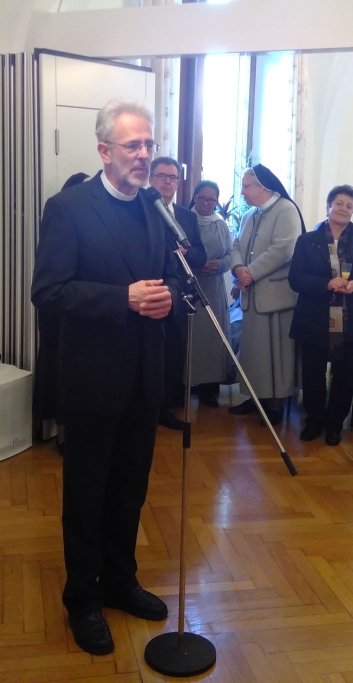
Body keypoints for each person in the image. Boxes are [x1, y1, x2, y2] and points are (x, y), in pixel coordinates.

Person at [31, 100, 179, 656]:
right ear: (104, 151)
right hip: (92, 380)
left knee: (130, 488)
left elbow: (165, 282)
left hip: (144, 377)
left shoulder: (154, 208)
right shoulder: (68, 207)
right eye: (132, 146)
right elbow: (47, 290)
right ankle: (81, 599)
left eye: (149, 145)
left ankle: (119, 581)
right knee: (88, 493)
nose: (144, 155)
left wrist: (168, 302)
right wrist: (123, 299)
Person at [289, 185, 353, 446]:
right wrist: (326, 284)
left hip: (350, 319)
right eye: (339, 203)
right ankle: (314, 421)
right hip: (314, 318)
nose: (343, 209)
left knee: (345, 375)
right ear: (328, 206)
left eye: (349, 206)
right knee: (313, 374)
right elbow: (295, 279)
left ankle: (335, 424)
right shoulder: (307, 241)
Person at [229, 164, 304, 425]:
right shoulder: (251, 214)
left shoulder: (286, 209)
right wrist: (238, 270)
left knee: (277, 355)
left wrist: (249, 272)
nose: (242, 192)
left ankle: (275, 403)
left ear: (262, 186)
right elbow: (236, 244)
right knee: (253, 353)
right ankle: (254, 397)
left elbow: (284, 248)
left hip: (276, 297)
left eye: (245, 186)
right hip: (251, 295)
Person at [33, 172, 90, 456]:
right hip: (59, 321)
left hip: (83, 320)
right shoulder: (60, 215)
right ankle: (63, 436)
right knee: (60, 381)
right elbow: (47, 290)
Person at [149, 156, 207, 428]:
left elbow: (200, 256)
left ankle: (165, 409)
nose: (167, 182)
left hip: (179, 297)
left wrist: (188, 251)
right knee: (148, 356)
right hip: (148, 295)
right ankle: (144, 410)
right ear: (151, 178)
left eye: (172, 177)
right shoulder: (141, 210)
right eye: (161, 176)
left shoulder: (186, 216)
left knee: (173, 354)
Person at [188, 180, 233, 407]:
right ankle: (183, 385)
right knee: (189, 338)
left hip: (213, 288)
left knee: (213, 338)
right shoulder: (184, 220)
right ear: (194, 197)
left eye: (211, 199)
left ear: (217, 201)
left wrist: (217, 265)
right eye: (202, 198)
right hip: (189, 285)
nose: (206, 203)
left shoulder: (221, 225)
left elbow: (230, 255)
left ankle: (209, 388)